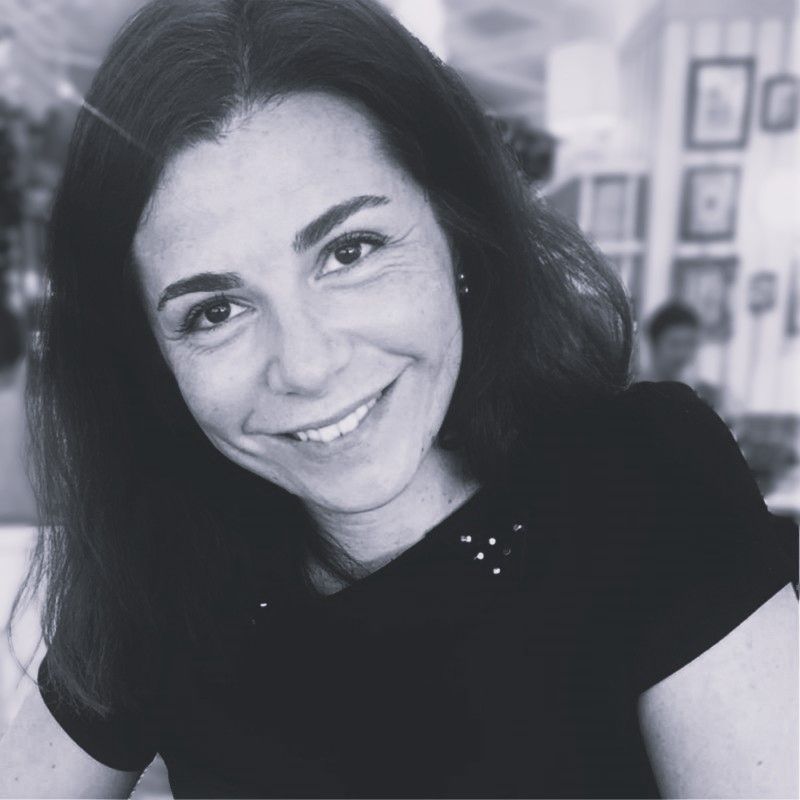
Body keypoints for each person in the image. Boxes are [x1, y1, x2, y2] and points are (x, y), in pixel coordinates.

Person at [0, 1, 797, 797]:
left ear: (457, 229)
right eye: (215, 312)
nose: (307, 366)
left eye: (350, 250)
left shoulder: (650, 482)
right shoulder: (158, 571)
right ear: (150, 357)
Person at [640, 300, 725, 414]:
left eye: (690, 344)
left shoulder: (707, 395)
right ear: (654, 345)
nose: (682, 354)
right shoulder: (636, 392)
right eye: (675, 344)